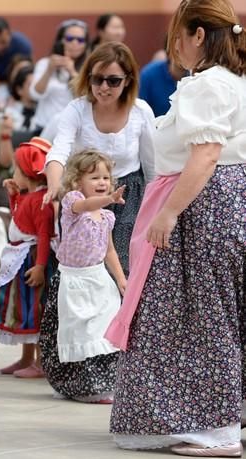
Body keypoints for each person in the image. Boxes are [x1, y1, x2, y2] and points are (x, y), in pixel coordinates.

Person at [106, 1, 246, 456]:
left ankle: (216, 428)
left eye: (178, 38)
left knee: (202, 316)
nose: (176, 49)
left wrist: (169, 212)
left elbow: (205, 154)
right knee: (213, 312)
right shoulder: (234, 82)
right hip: (222, 199)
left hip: (201, 204)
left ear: (199, 36)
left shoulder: (207, 85)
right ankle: (220, 417)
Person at [43, 42, 156, 274]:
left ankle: (120, 311)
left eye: (113, 81)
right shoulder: (76, 109)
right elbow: (59, 151)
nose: (104, 87)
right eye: (97, 79)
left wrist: (155, 207)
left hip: (128, 196)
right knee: (82, 265)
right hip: (83, 195)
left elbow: (152, 165)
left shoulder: (141, 111)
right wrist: (54, 185)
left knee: (121, 265)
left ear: (128, 80)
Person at [40, 151, 125, 405]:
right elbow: (84, 206)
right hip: (72, 281)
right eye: (94, 177)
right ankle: (74, 384)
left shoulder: (108, 216)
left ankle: (100, 385)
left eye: (106, 177)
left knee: (101, 332)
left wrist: (121, 279)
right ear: (77, 181)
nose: (102, 182)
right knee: (78, 333)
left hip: (98, 279)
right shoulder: (72, 202)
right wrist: (108, 198)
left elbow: (109, 249)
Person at [0, 138, 55, 378]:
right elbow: (19, 218)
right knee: (24, 309)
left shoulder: (41, 201)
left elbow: (44, 236)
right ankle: (27, 358)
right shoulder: (30, 197)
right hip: (21, 257)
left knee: (33, 308)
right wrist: (14, 195)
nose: (13, 173)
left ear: (27, 173)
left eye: (16, 169)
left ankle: (39, 361)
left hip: (31, 259)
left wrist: (39, 266)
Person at [30, 19, 89, 134]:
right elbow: (35, 94)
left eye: (80, 40)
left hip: (74, 130)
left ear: (85, 44)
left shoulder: (89, 67)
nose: (74, 43)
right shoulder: (45, 63)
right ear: (61, 40)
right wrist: (49, 70)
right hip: (43, 128)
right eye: (70, 39)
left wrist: (72, 72)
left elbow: (87, 99)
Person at [4, 65, 37, 135]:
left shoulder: (45, 115)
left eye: (37, 84)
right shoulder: (8, 113)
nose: (35, 89)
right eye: (30, 85)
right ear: (19, 90)